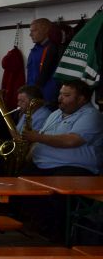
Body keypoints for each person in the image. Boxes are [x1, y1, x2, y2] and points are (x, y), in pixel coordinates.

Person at [19, 80, 103, 240]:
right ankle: (33, 227)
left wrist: (37, 137)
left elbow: (71, 141)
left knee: (56, 197)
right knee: (20, 183)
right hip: (43, 165)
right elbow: (42, 135)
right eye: (60, 94)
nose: (60, 98)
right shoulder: (56, 113)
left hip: (74, 168)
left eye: (66, 95)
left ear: (82, 99)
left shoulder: (91, 116)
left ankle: (56, 235)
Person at [27, 18, 60, 105]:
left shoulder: (53, 49)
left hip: (47, 98)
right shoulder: (35, 50)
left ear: (45, 30)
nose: (30, 34)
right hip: (32, 95)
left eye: (34, 31)